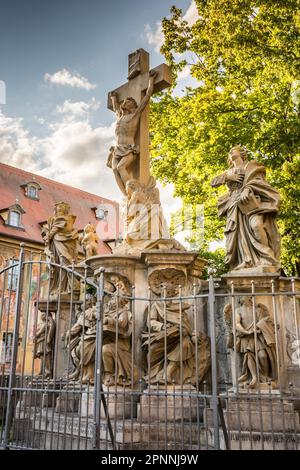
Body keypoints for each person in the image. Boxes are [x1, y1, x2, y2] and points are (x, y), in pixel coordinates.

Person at [211, 146, 281, 270]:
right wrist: (228, 177)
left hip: (250, 201)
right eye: (229, 151)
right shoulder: (229, 171)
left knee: (256, 225)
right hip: (234, 205)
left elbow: (259, 180)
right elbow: (213, 182)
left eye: (233, 150)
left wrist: (247, 188)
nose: (230, 152)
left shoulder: (251, 165)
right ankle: (245, 261)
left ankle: (267, 259)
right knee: (238, 233)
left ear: (242, 153)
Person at [107, 70, 157, 195]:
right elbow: (115, 108)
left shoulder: (134, 116)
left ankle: (134, 192)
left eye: (128, 101)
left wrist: (151, 79)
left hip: (129, 148)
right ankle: (127, 196)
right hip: (117, 149)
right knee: (114, 170)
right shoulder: (119, 117)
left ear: (132, 105)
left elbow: (147, 96)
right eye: (124, 101)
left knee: (120, 167)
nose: (125, 102)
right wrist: (114, 97)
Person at [42, 202, 79, 295]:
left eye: (62, 206)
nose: (60, 208)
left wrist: (48, 236)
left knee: (65, 263)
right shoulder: (53, 219)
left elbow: (55, 229)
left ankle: (70, 286)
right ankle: (60, 287)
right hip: (56, 243)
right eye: (58, 206)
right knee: (57, 266)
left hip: (64, 242)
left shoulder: (66, 218)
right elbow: (52, 229)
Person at [34, 312, 56, 378]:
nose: (41, 316)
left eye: (43, 315)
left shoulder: (45, 324)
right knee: (44, 358)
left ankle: (47, 373)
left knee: (46, 358)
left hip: (44, 343)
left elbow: (39, 333)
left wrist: (35, 335)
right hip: (42, 342)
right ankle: (43, 371)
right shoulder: (45, 324)